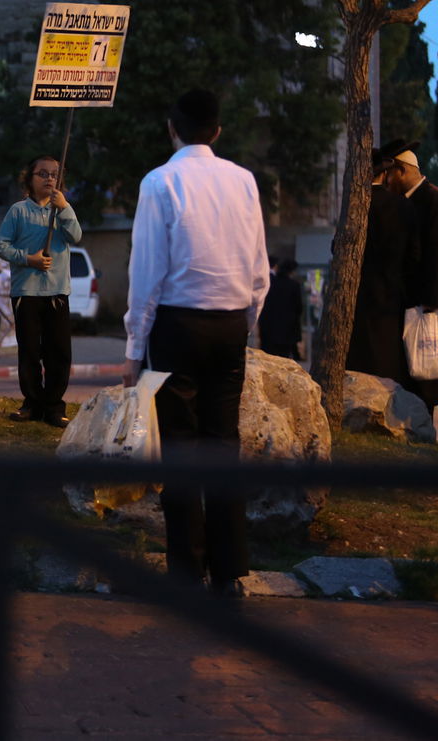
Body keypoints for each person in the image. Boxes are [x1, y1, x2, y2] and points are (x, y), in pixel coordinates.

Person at [123, 89, 269, 599]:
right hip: (229, 324)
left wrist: (133, 347)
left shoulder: (160, 182)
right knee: (223, 446)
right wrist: (247, 323)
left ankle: (187, 572)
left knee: (181, 450)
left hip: (176, 327)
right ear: (218, 131)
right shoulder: (244, 181)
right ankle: (230, 573)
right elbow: (259, 268)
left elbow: (147, 273)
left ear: (172, 128)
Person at [0, 154, 81, 428]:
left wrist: (64, 208)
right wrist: (28, 259)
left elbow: (76, 236)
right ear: (29, 179)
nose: (49, 178)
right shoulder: (18, 211)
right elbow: (1, 246)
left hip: (56, 292)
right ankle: (32, 402)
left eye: (54, 174)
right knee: (30, 350)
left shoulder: (63, 209)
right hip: (27, 292)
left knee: (58, 352)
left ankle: (54, 406)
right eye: (42, 173)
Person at [382, 139, 438, 414]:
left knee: (424, 373)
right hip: (408, 304)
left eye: (389, 174)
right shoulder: (407, 200)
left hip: (422, 304)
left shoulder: (434, 200)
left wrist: (432, 302)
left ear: (400, 171)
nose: (387, 181)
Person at [348, 147, 417, 381]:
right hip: (391, 297)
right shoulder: (402, 205)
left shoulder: (355, 205)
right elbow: (413, 253)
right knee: (387, 364)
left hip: (359, 296)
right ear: (385, 174)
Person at [258, 258, 303, 360]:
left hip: (268, 327)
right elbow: (298, 307)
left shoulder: (270, 283)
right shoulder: (294, 285)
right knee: (283, 357)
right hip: (287, 328)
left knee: (268, 357)